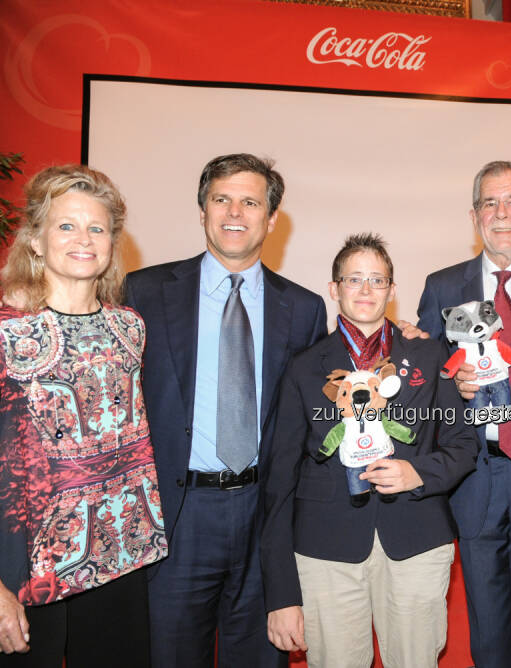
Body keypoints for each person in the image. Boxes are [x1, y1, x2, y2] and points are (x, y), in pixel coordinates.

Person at [122, 154, 327, 668]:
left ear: (272, 219)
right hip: (177, 517)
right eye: (221, 199)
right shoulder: (142, 292)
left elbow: (327, 397)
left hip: (265, 518)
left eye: (250, 201)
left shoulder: (303, 309)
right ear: (202, 210)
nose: (235, 211)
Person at [260, 233, 479, 667]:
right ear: (334, 288)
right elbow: (279, 483)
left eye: (376, 280)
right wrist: (281, 593)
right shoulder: (304, 367)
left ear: (393, 291)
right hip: (327, 549)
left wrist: (419, 474)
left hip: (417, 540)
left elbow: (463, 445)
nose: (365, 290)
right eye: (353, 279)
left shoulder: (430, 355)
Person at [0, 165, 167, 666]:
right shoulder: (7, 331)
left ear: (113, 242)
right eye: (66, 225)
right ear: (36, 240)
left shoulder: (129, 328)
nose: (84, 239)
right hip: (29, 572)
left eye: (97, 228)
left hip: (122, 562)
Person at [416, 160, 511, 668]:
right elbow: (422, 382)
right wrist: (448, 385)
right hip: (476, 475)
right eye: (490, 203)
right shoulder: (442, 287)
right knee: (490, 630)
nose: (502, 214)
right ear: (474, 215)